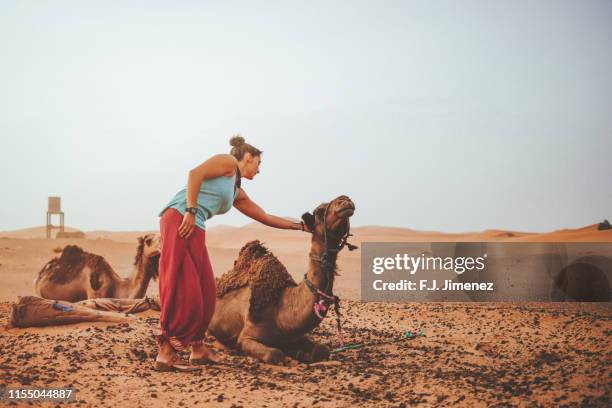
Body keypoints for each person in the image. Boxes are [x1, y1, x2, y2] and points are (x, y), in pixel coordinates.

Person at [154, 135, 309, 371]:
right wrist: (191, 210)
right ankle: (166, 353)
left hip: (196, 226)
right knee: (185, 288)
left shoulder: (235, 190)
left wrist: (301, 226)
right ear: (248, 157)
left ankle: (198, 349)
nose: (259, 171)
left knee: (207, 292)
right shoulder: (227, 163)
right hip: (180, 219)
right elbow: (194, 174)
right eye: (258, 164)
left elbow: (265, 217)